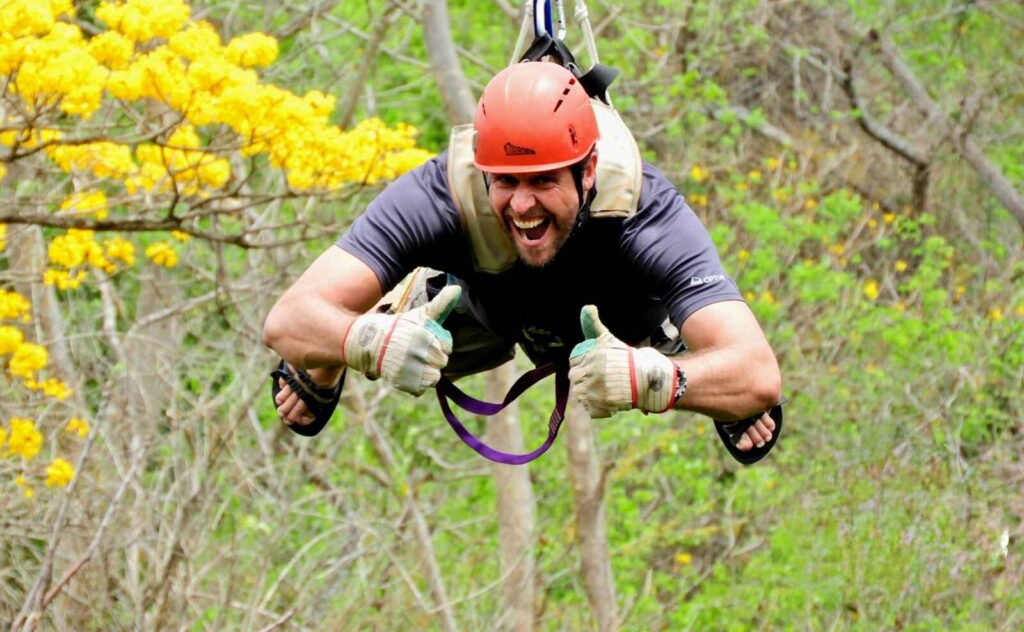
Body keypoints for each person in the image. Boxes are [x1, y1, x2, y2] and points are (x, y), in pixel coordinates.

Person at [262, 61, 782, 461]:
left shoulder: (644, 210)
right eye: (506, 181)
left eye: (543, 181)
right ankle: (340, 353)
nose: (523, 204)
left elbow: (759, 373)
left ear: (589, 170)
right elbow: (288, 319)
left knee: (731, 381)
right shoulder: (443, 192)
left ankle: (686, 368)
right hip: (483, 307)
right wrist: (366, 344)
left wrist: (657, 381)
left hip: (624, 329)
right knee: (338, 323)